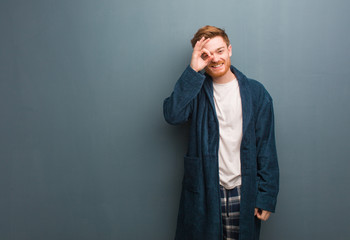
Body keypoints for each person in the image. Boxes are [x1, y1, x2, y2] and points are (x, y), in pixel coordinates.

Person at [163, 25, 279, 240]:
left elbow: (266, 147)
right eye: (206, 55)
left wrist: (266, 196)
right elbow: (173, 115)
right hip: (205, 188)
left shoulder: (256, 93)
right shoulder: (196, 89)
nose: (215, 59)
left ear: (229, 50)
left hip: (243, 189)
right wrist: (193, 70)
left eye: (219, 51)